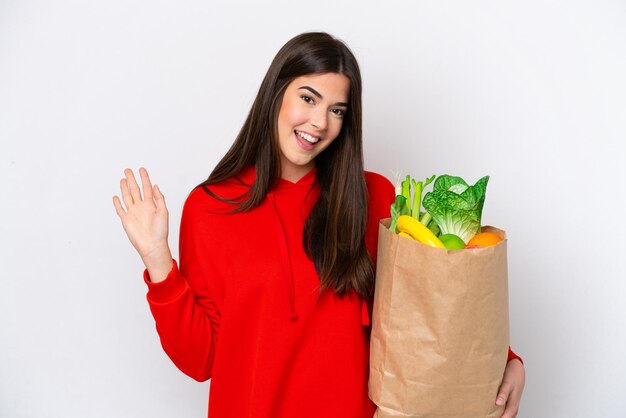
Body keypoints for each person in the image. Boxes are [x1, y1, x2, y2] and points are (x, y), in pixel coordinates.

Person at [113, 32, 525, 418]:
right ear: (276, 94)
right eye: (308, 98)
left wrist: (505, 362)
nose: (320, 122)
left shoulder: (373, 197)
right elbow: (201, 360)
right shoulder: (211, 207)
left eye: (337, 110)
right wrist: (157, 259)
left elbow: (430, 304)